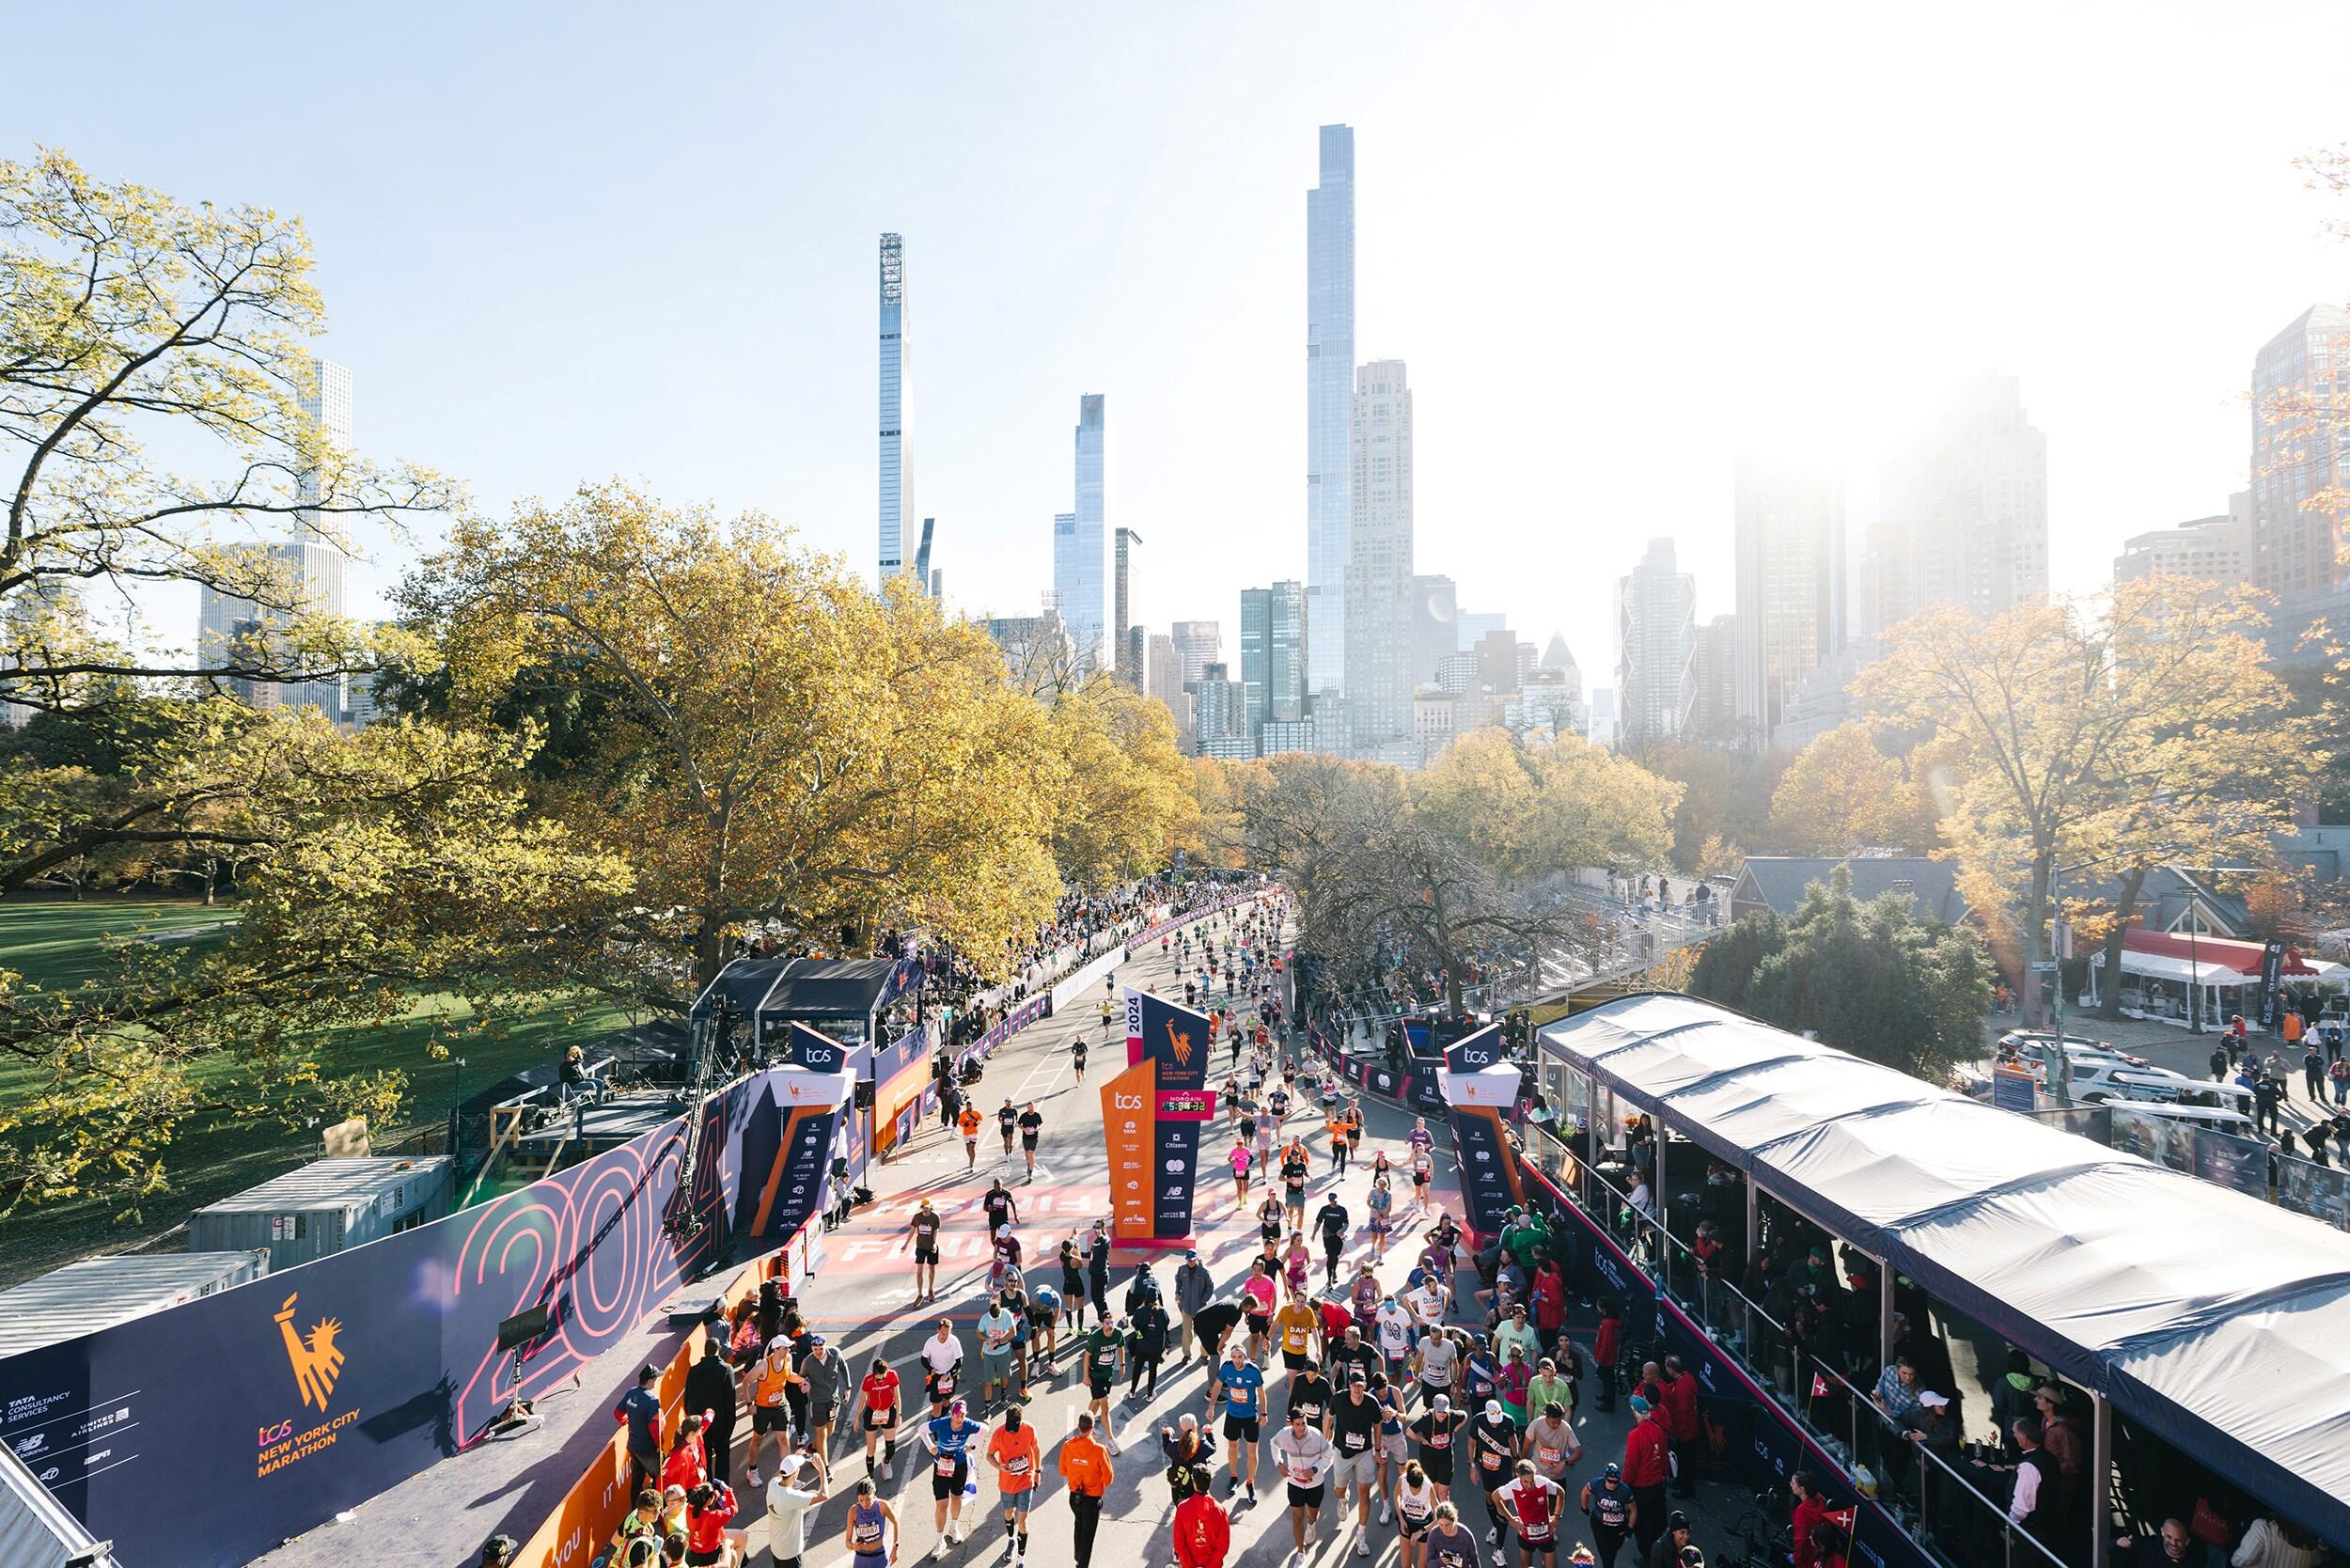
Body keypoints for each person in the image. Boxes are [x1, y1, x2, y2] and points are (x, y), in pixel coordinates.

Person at [1272, 1405, 1338, 1566]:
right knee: (1296, 1517)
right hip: (1295, 1484)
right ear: (1292, 1425)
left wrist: (1315, 1469)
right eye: (1298, 1424)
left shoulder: (1316, 1436)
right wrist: (1279, 1463)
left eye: (1303, 1424)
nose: (1301, 1428)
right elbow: (1273, 1444)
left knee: (1312, 1514)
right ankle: (1300, 1553)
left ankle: (1312, 1524)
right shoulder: (1284, 1435)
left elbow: (1329, 1454)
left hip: (1315, 1484)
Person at [921, 1397, 982, 1559]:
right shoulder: (942, 1423)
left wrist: (972, 1446)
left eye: (962, 1416)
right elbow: (922, 1429)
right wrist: (931, 1448)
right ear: (951, 1414)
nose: (959, 1419)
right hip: (942, 1465)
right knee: (942, 1505)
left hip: (959, 1465)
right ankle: (939, 1539)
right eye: (956, 1415)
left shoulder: (968, 1424)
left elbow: (984, 1429)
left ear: (965, 1415)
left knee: (956, 1498)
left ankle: (954, 1527)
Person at [1331, 1368, 1383, 1556]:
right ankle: (1343, 1498)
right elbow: (1329, 1416)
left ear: (1365, 1386)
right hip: (1342, 1452)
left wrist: (1377, 1450)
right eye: (1354, 1385)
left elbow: (1377, 1425)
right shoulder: (1339, 1399)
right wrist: (1326, 1438)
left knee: (1364, 1492)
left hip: (1364, 1452)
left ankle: (1361, 1535)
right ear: (1349, 1386)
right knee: (1339, 1490)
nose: (1357, 1389)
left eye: (1360, 1386)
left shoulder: (1371, 1403)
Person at [1210, 1337, 1268, 1498]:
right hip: (1232, 1415)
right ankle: (1233, 1477)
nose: (1236, 1361)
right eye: (1234, 1357)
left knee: (1251, 1453)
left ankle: (1250, 1482)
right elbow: (1217, 1386)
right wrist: (1211, 1406)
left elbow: (1262, 1393)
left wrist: (1264, 1413)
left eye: (1239, 1357)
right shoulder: (1227, 1368)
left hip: (1250, 1416)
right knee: (1233, 1447)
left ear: (1245, 1357)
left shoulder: (1253, 1371)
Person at [984, 1403, 1042, 1563]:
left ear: (1020, 1421)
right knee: (1009, 1513)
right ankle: (1011, 1540)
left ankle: (1020, 1559)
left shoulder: (1029, 1429)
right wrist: (999, 1466)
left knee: (1023, 1522)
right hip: (1007, 1483)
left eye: (1015, 1427)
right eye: (1009, 1426)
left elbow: (1036, 1449)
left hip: (1025, 1481)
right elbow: (989, 1455)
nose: (1012, 1430)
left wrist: (1037, 1472)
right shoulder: (999, 1434)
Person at [1059, 1410, 1115, 1568]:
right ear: (1092, 1429)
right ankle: (1082, 1565)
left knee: (1078, 1524)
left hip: (1074, 1497)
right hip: (1092, 1499)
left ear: (1079, 1427)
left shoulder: (1068, 1446)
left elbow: (1063, 1471)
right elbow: (1109, 1478)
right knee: (1088, 1535)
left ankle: (1078, 1556)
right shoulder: (1099, 1451)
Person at [1622, 1397, 1670, 1559]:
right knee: (1657, 1522)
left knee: (1642, 1525)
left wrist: (1622, 1486)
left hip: (1641, 1487)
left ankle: (1648, 1556)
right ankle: (1660, 1552)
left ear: (1635, 1412)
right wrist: (1664, 1475)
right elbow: (1663, 1456)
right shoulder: (1658, 1430)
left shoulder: (1635, 1435)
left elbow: (1631, 1466)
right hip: (1657, 1484)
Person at [1500, 1458, 1566, 1568]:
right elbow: (1495, 1497)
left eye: (1532, 1481)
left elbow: (1561, 1492)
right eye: (1526, 1481)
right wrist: (1511, 1520)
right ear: (1518, 1476)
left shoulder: (1543, 1483)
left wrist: (1557, 1517)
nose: (1530, 1485)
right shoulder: (1513, 1486)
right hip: (1526, 1536)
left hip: (1546, 1534)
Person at [765, 1455, 823, 1568]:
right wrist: (821, 1470)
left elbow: (775, 1477)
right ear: (796, 1473)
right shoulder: (791, 1496)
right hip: (790, 1553)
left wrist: (790, 1461)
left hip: (776, 1548)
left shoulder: (773, 1485)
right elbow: (824, 1495)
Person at [615, 1363, 666, 1494]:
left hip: (633, 1445)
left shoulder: (631, 1392)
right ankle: (656, 1510)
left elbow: (618, 1412)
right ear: (649, 1381)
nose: (656, 1381)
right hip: (648, 1448)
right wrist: (659, 1444)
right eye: (655, 1379)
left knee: (637, 1481)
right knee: (659, 1478)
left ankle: (635, 1510)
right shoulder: (652, 1400)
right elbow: (654, 1426)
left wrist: (624, 1421)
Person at [1080, 1312, 1125, 1453]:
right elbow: (1087, 1356)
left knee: (1096, 1401)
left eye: (1111, 1323)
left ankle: (1085, 1426)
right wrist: (1085, 1376)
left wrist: (1122, 1365)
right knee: (1105, 1405)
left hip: (1107, 1374)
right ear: (1101, 1324)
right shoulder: (1095, 1338)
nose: (1109, 1326)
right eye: (1106, 1323)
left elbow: (1120, 1348)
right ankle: (1112, 1441)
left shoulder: (1118, 1334)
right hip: (1095, 1375)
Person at [1410, 1393, 1465, 1503]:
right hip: (1428, 1459)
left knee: (1444, 1493)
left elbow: (1464, 1415)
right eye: (1439, 1411)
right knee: (1434, 1491)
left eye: (1444, 1411)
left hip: (1445, 1458)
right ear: (1434, 1408)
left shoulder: (1453, 1416)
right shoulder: (1427, 1418)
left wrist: (1457, 1428)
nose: (1442, 1414)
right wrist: (1422, 1440)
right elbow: (1409, 1432)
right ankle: (1435, 1516)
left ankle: (1446, 1517)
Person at [1580, 1463, 1636, 1568]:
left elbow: (1633, 1510)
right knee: (1606, 1554)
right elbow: (1584, 1492)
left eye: (1616, 1482)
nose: (1613, 1484)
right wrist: (1584, 1508)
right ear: (1605, 1478)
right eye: (1610, 1481)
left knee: (1613, 1551)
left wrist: (1630, 1528)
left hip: (1618, 1527)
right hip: (1600, 1524)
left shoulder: (1625, 1490)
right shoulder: (1596, 1484)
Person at [1175, 1470, 1234, 1568]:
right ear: (1210, 1483)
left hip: (1190, 1563)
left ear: (1194, 1484)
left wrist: (1190, 1566)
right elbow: (1223, 1546)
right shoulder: (1220, 1510)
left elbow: (1179, 1544)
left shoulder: (1182, 1508)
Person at [1658, 1356, 1699, 1499]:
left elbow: (1682, 1412)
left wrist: (1677, 1432)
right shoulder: (1687, 1378)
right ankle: (1679, 1481)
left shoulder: (1681, 1389)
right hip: (1690, 1428)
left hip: (1685, 1432)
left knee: (1685, 1461)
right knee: (1684, 1460)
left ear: (1671, 1369)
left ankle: (1686, 1490)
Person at [858, 1356, 902, 1479]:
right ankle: (871, 1477)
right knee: (871, 1448)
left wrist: (898, 1415)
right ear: (873, 1374)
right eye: (878, 1379)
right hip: (872, 1412)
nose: (881, 1380)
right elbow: (863, 1399)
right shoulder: (868, 1380)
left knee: (891, 1447)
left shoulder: (893, 1375)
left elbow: (897, 1397)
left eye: (884, 1377)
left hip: (889, 1411)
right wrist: (857, 1417)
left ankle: (886, 1462)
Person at [1161, 1411, 1221, 1501]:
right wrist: (1209, 1434)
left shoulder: (1174, 1446)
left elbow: (1166, 1448)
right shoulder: (1203, 1446)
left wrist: (1166, 1435)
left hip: (1180, 1493)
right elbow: (1213, 1448)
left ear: (1181, 1428)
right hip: (1198, 1491)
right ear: (1195, 1426)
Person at [683, 1480, 744, 1568]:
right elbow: (732, 1509)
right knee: (737, 1546)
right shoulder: (712, 1517)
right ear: (708, 1500)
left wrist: (713, 1496)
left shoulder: (689, 1509)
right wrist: (727, 1491)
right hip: (712, 1555)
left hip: (695, 1553)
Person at [842, 1477, 897, 1568]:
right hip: (861, 1559)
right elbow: (847, 1542)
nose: (864, 1504)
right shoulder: (853, 1511)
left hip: (879, 1557)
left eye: (868, 1500)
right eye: (861, 1500)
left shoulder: (882, 1506)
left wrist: (895, 1546)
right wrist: (853, 1546)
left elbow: (896, 1522)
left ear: (874, 1493)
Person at [1397, 1458, 1442, 1568]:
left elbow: (1440, 1515)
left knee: (1423, 1566)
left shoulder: (1427, 1485)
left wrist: (1422, 1531)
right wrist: (1401, 1520)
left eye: (1418, 1488)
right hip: (1406, 1523)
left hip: (1424, 1525)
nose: (1415, 1491)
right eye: (1413, 1488)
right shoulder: (1402, 1480)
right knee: (1406, 1565)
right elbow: (1396, 1496)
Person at [1128, 1288, 1171, 1399]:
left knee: (1137, 1368)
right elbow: (1166, 1325)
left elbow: (1134, 1323)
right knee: (1153, 1370)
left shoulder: (1139, 1311)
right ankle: (1150, 1394)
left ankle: (1132, 1391)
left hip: (1142, 1345)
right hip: (1156, 1347)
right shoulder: (1162, 1312)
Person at [978, 1294, 1020, 1408]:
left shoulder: (1006, 1315)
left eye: (997, 1319)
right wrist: (987, 1339)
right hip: (989, 1353)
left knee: (1004, 1376)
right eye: (993, 1320)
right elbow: (978, 1333)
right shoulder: (985, 1318)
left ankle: (1003, 1395)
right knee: (988, 1381)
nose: (995, 1321)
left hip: (1003, 1351)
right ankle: (987, 1408)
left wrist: (1000, 1342)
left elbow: (1013, 1333)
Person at [1175, 1247, 1216, 1361]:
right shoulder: (1182, 1270)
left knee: (1203, 1332)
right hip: (1186, 1306)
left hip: (1200, 1307)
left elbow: (1210, 1287)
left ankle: (1204, 1353)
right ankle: (1186, 1354)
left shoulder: (1204, 1272)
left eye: (1193, 1260)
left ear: (1197, 1259)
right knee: (1186, 1332)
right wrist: (1177, 1293)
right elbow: (1178, 1281)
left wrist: (1204, 1300)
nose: (1190, 1262)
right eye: (1188, 1260)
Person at [919, 1319, 964, 1419]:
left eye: (947, 1334)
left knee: (946, 1400)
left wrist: (948, 1374)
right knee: (936, 1405)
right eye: (942, 1333)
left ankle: (943, 1418)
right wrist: (931, 1369)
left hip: (950, 1375)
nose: (944, 1337)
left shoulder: (954, 1341)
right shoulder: (931, 1342)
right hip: (936, 1376)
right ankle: (936, 1428)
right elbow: (923, 1359)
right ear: (937, 1330)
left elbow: (959, 1361)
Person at [904, 1198, 944, 1304]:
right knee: (919, 1271)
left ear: (930, 1207)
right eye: (923, 1207)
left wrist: (934, 1244)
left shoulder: (935, 1217)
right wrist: (906, 1244)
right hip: (921, 1246)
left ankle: (930, 1289)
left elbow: (936, 1231)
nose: (925, 1209)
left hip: (931, 1246)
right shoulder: (917, 1217)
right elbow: (912, 1230)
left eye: (927, 1207)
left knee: (931, 1268)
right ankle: (920, 1294)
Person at [664, 1412, 712, 1495]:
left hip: (701, 1482)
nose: (703, 1427)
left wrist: (709, 1413)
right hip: (690, 1490)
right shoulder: (679, 1455)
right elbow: (664, 1476)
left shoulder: (696, 1437)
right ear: (692, 1433)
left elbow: (708, 1418)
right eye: (701, 1428)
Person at [1427, 1499, 1481, 1568]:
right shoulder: (1434, 1534)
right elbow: (1429, 1563)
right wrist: (1440, 1562)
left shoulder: (1465, 1535)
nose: (1444, 1528)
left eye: (1447, 1525)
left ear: (1454, 1520)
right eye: (1441, 1525)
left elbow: (1474, 1561)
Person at [1317, 1190, 1352, 1287]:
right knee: (1330, 1256)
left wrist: (1342, 1230)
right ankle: (1329, 1279)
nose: (1333, 1202)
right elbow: (1318, 1221)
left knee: (1335, 1256)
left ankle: (1334, 1271)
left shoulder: (1342, 1210)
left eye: (1335, 1200)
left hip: (1338, 1236)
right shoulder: (1324, 1210)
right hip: (1328, 1236)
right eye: (1332, 1200)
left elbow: (1346, 1223)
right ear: (1329, 1200)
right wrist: (1314, 1233)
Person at [1018, 1101, 1044, 1179]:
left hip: (1034, 1138)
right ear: (1027, 1108)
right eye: (1029, 1107)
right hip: (1025, 1138)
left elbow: (1041, 1124)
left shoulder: (1037, 1115)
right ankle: (1028, 1165)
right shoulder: (1024, 1116)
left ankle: (1030, 1172)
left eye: (1032, 1107)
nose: (1031, 1109)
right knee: (1027, 1154)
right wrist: (1024, 1129)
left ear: (1034, 1107)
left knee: (1031, 1154)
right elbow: (1018, 1124)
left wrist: (1037, 1129)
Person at [958, 1100, 984, 1170]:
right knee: (967, 1147)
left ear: (973, 1106)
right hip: (966, 1133)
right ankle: (970, 1157)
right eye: (968, 1106)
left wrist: (978, 1123)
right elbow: (959, 1122)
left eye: (970, 1105)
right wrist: (964, 1124)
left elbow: (981, 1118)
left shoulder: (976, 1112)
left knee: (972, 1148)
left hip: (974, 1132)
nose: (969, 1107)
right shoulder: (963, 1114)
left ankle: (972, 1161)